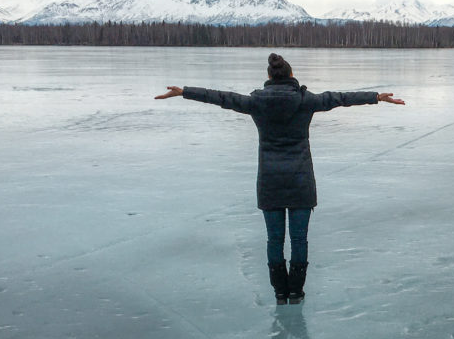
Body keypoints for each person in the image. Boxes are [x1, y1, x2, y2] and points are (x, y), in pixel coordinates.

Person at [155, 53, 404, 305]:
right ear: (292, 76)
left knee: (274, 239)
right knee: (299, 239)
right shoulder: (306, 100)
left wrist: (184, 91)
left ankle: (280, 292)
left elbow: (221, 98)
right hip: (301, 181)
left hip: (269, 181)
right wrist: (375, 97)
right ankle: (296, 292)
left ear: (269, 77)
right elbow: (338, 98)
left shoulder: (256, 102)